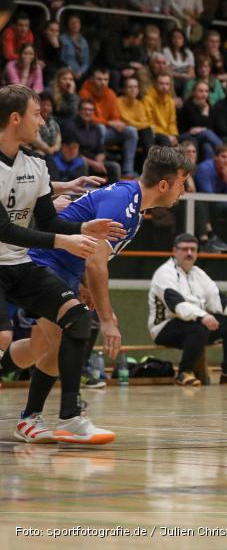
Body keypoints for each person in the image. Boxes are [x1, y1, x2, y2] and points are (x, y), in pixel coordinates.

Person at [6, 147, 192, 437]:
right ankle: (57, 415)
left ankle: (30, 412)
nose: (184, 190)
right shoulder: (125, 203)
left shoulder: (135, 206)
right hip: (44, 262)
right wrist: (107, 320)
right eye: (182, 182)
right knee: (67, 332)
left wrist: (81, 283)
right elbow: (95, 261)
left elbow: (91, 256)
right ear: (164, 185)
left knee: (38, 347)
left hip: (64, 271)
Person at [0, 84, 123, 444]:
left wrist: (83, 227)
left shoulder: (36, 165)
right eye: (37, 114)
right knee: (4, 338)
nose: (43, 121)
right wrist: (65, 240)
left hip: (19, 265)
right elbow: (4, 229)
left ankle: (69, 415)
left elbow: (48, 220)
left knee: (78, 317)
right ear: (15, 117)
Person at [148, 233, 227, 386]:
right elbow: (177, 305)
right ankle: (184, 372)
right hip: (165, 327)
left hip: (197, 323)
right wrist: (202, 316)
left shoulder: (198, 274)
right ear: (174, 251)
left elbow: (218, 299)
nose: (189, 253)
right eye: (184, 249)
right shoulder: (164, 273)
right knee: (199, 327)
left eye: (193, 249)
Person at [80, 67, 140, 177]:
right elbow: (89, 117)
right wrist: (109, 123)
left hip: (108, 131)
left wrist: (117, 123)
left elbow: (115, 116)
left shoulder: (111, 93)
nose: (103, 82)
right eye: (99, 79)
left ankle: (128, 170)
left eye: (106, 79)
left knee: (131, 131)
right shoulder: (85, 92)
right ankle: (99, 168)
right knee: (100, 128)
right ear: (92, 79)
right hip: (91, 132)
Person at [194, 144, 227, 252]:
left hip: (218, 203)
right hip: (203, 203)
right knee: (209, 205)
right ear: (216, 157)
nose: (226, 160)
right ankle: (210, 239)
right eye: (223, 156)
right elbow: (207, 195)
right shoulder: (205, 168)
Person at [62, 98, 121, 182]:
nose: (88, 112)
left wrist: (99, 163)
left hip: (94, 162)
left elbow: (101, 150)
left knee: (114, 167)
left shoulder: (96, 128)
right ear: (79, 111)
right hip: (75, 161)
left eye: (91, 110)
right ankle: (82, 193)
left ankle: (112, 193)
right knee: (83, 164)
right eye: (85, 109)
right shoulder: (71, 127)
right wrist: (94, 164)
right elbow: (73, 153)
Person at [178, 80, 224, 161]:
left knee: (207, 147)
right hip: (186, 134)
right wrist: (204, 112)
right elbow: (194, 124)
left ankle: (207, 172)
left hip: (201, 136)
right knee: (206, 133)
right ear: (194, 92)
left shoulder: (208, 105)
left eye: (206, 91)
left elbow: (210, 126)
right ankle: (225, 152)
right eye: (201, 91)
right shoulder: (187, 106)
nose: (204, 94)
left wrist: (205, 111)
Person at [143, 73, 179, 147]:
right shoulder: (148, 99)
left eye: (167, 84)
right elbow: (149, 122)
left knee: (187, 141)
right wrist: (167, 136)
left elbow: (172, 122)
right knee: (164, 139)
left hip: (167, 134)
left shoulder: (170, 101)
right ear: (155, 84)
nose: (164, 87)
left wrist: (174, 135)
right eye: (161, 83)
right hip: (154, 133)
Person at [163, 28, 195, 95]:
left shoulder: (189, 53)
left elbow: (191, 72)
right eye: (174, 38)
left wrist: (187, 76)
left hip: (186, 79)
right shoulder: (166, 51)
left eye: (180, 38)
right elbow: (167, 71)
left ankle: (186, 103)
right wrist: (182, 75)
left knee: (190, 82)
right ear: (171, 39)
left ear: (183, 40)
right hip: (173, 79)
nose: (177, 40)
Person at [60, 14, 90, 82]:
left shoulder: (83, 41)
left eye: (77, 22)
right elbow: (61, 59)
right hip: (66, 70)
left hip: (80, 73)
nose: (75, 25)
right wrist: (71, 71)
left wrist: (80, 72)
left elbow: (86, 62)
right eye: (73, 23)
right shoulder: (62, 39)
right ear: (68, 25)